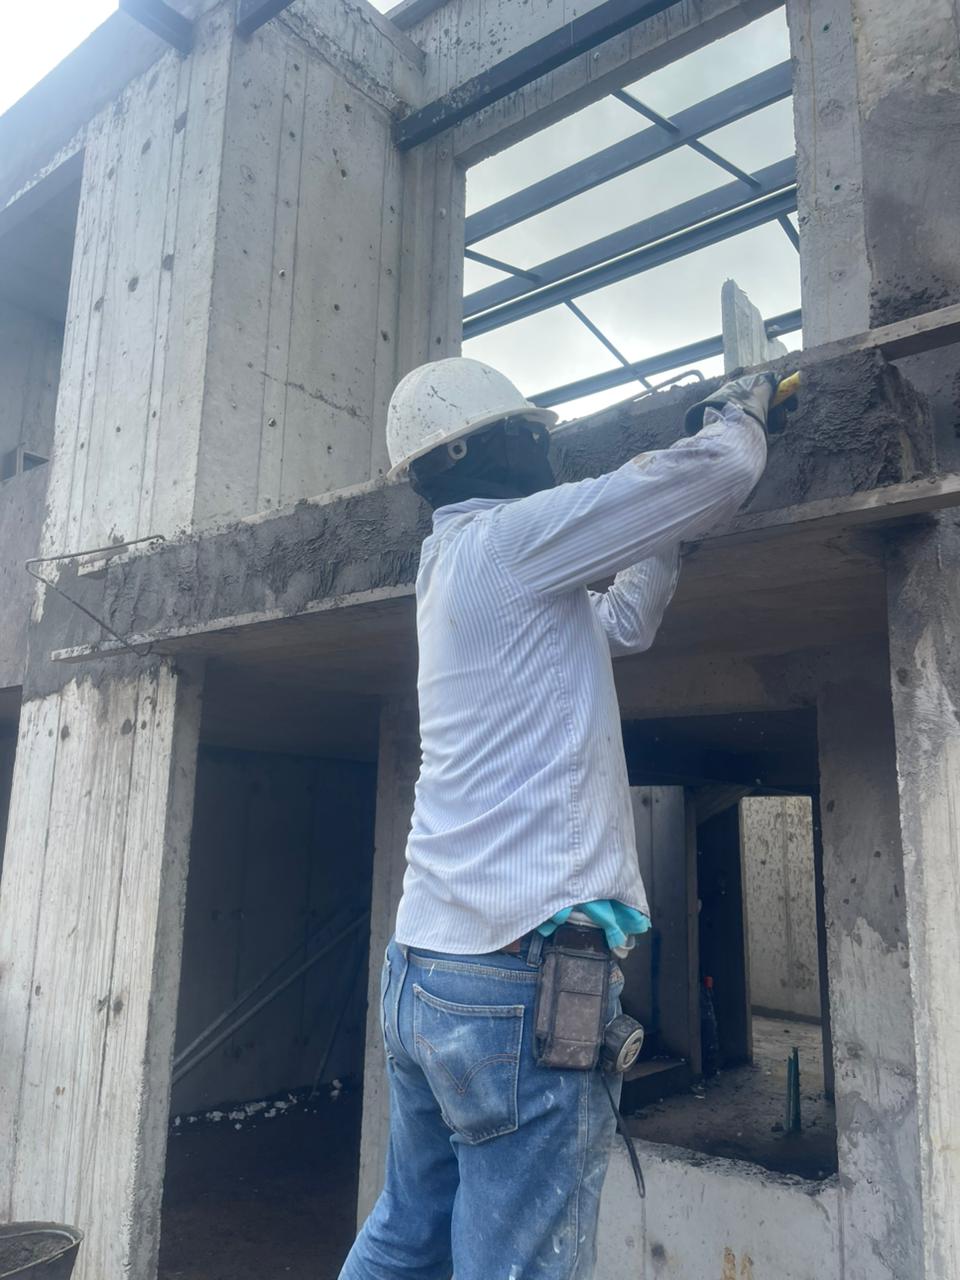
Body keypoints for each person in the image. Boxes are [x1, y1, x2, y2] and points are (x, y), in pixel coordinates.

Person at [338, 357, 781, 1280]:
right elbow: (724, 470)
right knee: (515, 1263)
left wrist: (659, 534)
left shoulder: (454, 564)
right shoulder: (509, 541)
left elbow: (622, 625)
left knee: (407, 1234)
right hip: (512, 980)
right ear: (472, 450)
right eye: (531, 431)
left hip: (426, 970)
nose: (548, 444)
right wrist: (739, 410)